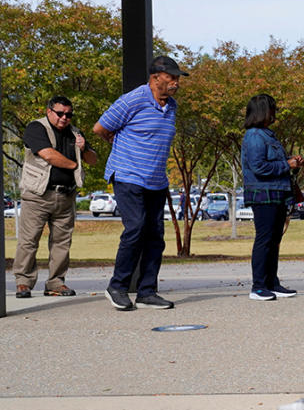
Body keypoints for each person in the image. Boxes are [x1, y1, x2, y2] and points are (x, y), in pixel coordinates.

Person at [94, 55, 186, 311]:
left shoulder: (172, 106)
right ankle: (117, 287)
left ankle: (147, 292)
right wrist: (118, 145)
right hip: (128, 174)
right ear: (156, 77)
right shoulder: (133, 99)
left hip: (156, 180)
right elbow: (100, 128)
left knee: (156, 236)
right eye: (172, 77)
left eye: (177, 78)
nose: (176, 83)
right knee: (135, 229)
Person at [13, 96, 98, 299]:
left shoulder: (75, 133)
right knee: (28, 241)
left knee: (62, 242)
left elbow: (93, 160)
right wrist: (74, 165)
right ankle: (23, 282)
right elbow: (48, 154)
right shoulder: (36, 128)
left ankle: (56, 283)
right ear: (49, 111)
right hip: (38, 195)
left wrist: (84, 147)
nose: (64, 118)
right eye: (60, 113)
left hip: (66, 195)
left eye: (68, 114)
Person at [241, 94, 304, 301]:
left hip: (277, 193)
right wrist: (287, 164)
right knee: (264, 239)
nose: (274, 113)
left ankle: (272, 283)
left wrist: (290, 162)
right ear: (262, 111)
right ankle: (258, 286)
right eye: (271, 109)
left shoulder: (268, 135)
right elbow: (258, 167)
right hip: (263, 195)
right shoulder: (254, 136)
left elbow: (270, 163)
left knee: (274, 240)